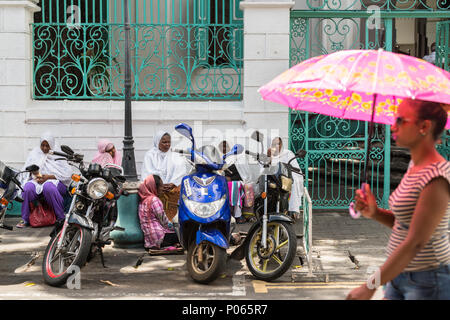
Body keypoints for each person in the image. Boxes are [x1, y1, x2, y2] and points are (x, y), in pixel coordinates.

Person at [347, 98, 450, 300]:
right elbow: (406, 224)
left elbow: (415, 241)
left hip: (428, 281)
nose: (393, 126)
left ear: (424, 126)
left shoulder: (436, 177)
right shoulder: (415, 166)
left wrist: (369, 286)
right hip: (400, 274)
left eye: (401, 120)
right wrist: (375, 213)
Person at [16, 132, 73, 228]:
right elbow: (27, 170)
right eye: (42, 145)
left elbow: (67, 175)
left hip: (55, 182)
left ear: (52, 145)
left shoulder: (58, 154)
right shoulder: (35, 153)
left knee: (48, 187)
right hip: (38, 180)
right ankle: (25, 219)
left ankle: (60, 217)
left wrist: (48, 177)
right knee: (27, 188)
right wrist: (36, 175)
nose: (45, 148)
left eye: (47, 145)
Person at [140, 131, 190, 220]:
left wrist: (173, 183)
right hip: (156, 187)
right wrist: (159, 184)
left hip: (171, 188)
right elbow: (147, 173)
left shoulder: (175, 155)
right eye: (164, 142)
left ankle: (174, 222)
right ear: (157, 142)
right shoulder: (150, 155)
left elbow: (181, 171)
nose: (167, 145)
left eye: (169, 142)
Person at [138, 174, 180, 251]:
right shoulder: (154, 200)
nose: (162, 188)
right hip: (159, 237)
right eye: (160, 186)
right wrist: (173, 229)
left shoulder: (143, 201)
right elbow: (164, 221)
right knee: (180, 235)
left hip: (149, 239)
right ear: (154, 187)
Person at [267, 137, 304, 214]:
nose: (276, 146)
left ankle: (292, 210)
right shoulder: (269, 153)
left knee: (294, 182)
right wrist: (269, 157)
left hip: (286, 177)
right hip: (273, 178)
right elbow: (265, 168)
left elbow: (295, 167)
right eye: (274, 144)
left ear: (281, 144)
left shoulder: (288, 153)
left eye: (278, 144)